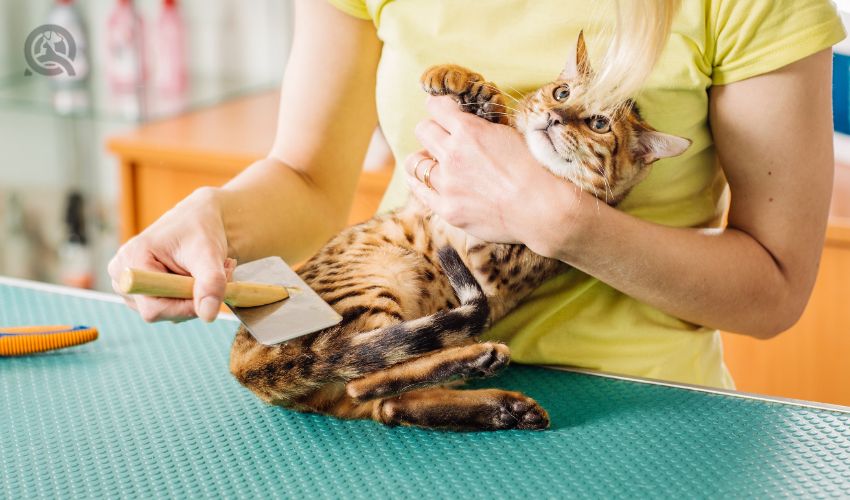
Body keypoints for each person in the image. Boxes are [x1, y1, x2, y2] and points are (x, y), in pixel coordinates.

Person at [108, 0, 845, 388]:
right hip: (394, 381)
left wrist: (560, 221)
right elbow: (306, 180)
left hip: (637, 409)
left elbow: (774, 289)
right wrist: (217, 219)